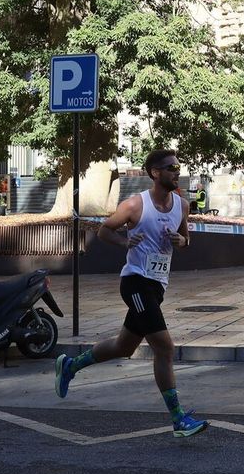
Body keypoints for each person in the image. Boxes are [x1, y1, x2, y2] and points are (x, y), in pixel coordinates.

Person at [53, 148, 208, 438]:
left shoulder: (182, 206)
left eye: (178, 166)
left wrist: (181, 240)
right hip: (136, 282)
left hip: (157, 284)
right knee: (164, 347)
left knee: (124, 347)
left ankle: (71, 365)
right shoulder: (135, 205)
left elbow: (187, 239)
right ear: (155, 173)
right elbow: (104, 230)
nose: (177, 171)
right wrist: (125, 242)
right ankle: (178, 420)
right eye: (171, 167)